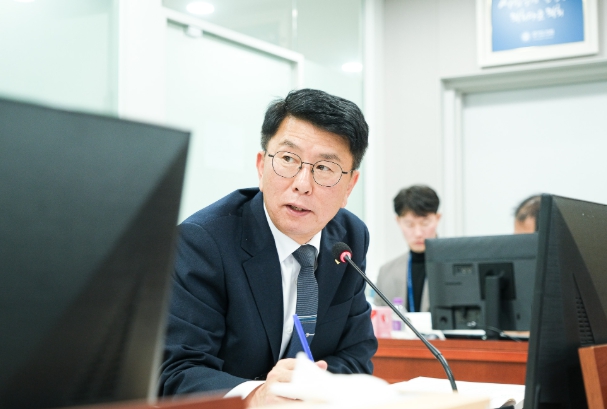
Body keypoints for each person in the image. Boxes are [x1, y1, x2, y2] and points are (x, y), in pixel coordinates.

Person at [159, 89, 377, 407]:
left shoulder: (350, 238)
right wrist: (256, 394)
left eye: (324, 168)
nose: (302, 183)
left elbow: (356, 355)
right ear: (261, 167)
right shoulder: (203, 242)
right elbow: (176, 373)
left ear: (349, 186)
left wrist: (306, 388)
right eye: (288, 159)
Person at [374, 185, 441, 312]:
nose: (418, 233)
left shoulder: (458, 267)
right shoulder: (386, 273)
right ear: (398, 221)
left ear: (437, 219)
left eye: (425, 223)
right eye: (409, 224)